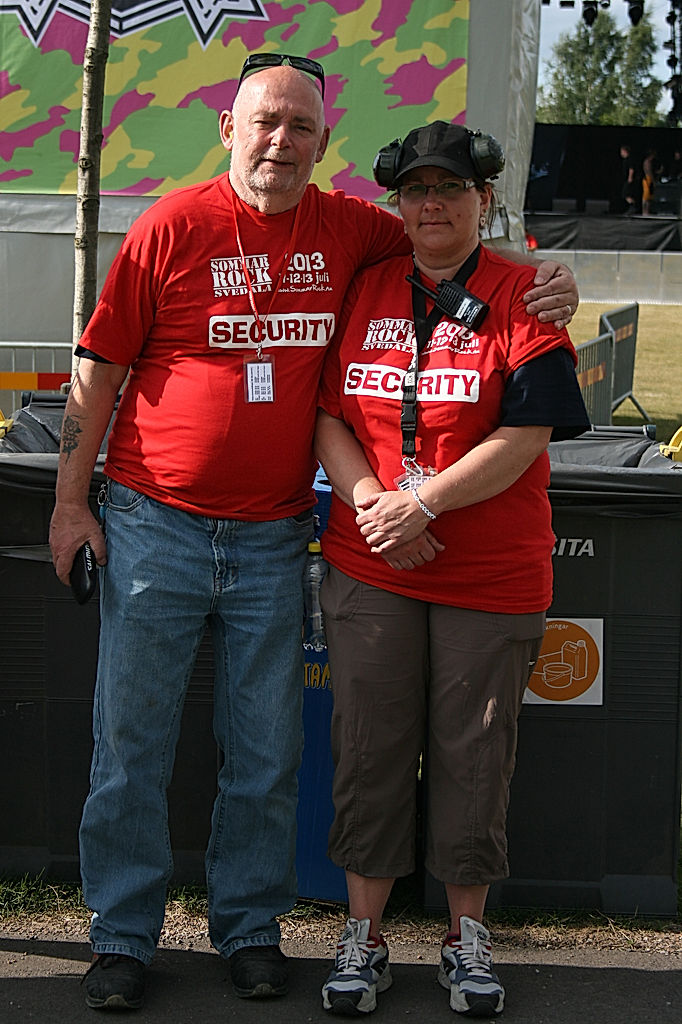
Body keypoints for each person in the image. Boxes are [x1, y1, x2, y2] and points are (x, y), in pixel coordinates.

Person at [48, 53, 579, 1012]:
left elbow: (450, 241)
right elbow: (98, 370)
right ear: (229, 127)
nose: (281, 141)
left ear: (324, 144)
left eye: (301, 127)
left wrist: (553, 282)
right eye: (265, 121)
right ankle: (121, 937)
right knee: (130, 746)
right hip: (154, 522)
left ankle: (250, 928)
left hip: (273, 535)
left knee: (265, 753)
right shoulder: (171, 226)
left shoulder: (355, 230)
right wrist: (70, 504)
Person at [314, 121, 590, 1018]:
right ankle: (364, 935)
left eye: (451, 187)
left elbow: (528, 433)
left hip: (488, 575)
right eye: (417, 189)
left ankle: (466, 937)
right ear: (398, 203)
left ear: (484, 199)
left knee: (475, 757)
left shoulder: (525, 296)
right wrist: (376, 505)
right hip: (374, 562)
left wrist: (423, 505)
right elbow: (329, 417)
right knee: (369, 748)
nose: (432, 203)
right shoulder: (364, 287)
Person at [619, 143, 638, 215]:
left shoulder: (629, 159)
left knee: (626, 194)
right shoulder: (626, 160)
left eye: (622, 151)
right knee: (626, 194)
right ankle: (632, 206)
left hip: (629, 179)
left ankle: (633, 206)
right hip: (626, 179)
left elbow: (631, 169)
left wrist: (630, 177)